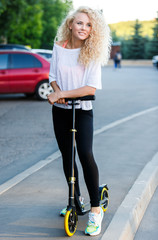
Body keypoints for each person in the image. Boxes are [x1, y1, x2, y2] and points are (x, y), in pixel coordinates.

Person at [47, 6, 111, 236]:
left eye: (89, 24)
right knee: (67, 156)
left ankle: (95, 210)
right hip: (61, 110)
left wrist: (61, 94)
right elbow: (53, 76)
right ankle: (74, 200)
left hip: (83, 110)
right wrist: (57, 91)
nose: (84, 28)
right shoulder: (59, 48)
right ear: (70, 25)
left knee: (85, 153)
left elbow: (89, 88)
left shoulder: (92, 53)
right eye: (80, 23)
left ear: (93, 29)